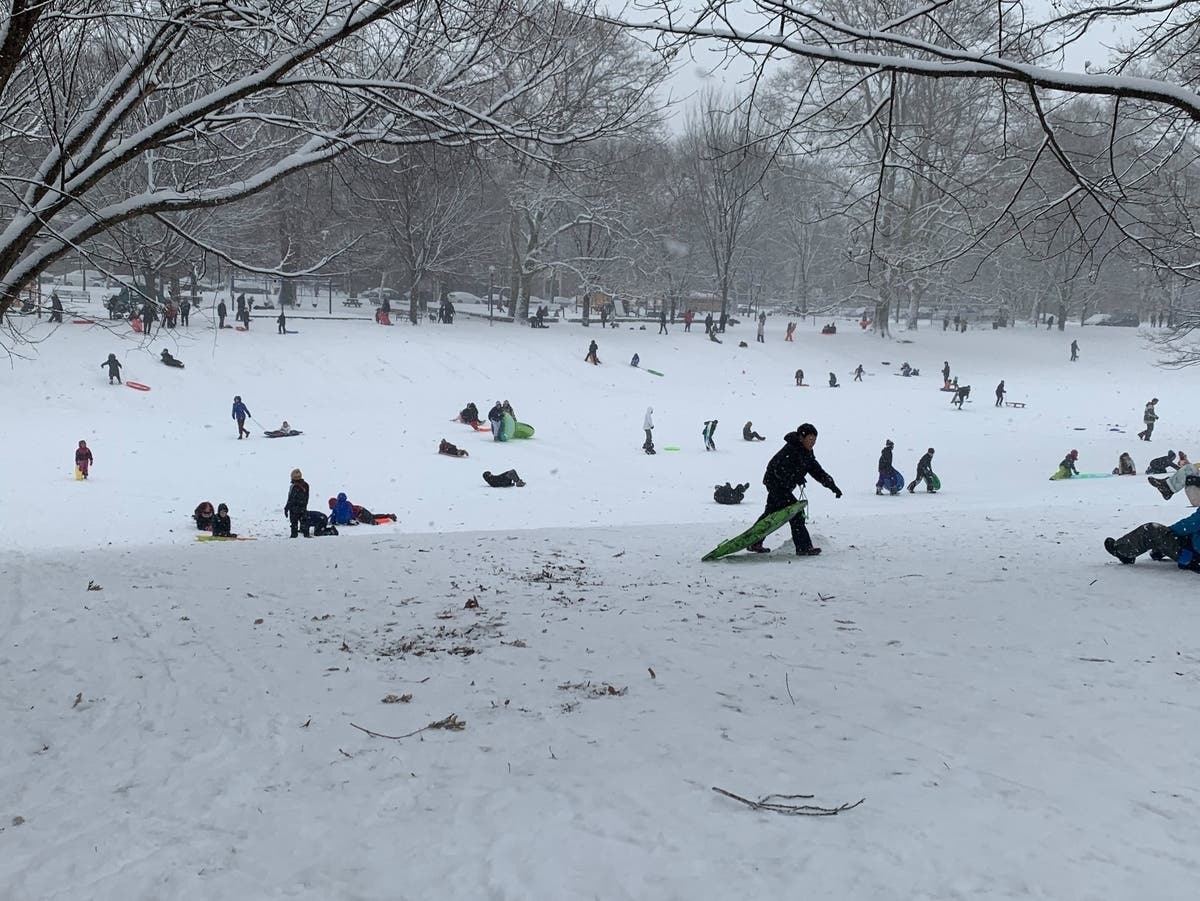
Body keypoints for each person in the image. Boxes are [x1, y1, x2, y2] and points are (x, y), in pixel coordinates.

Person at [747, 423, 842, 556]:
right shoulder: (791, 449)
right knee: (796, 512)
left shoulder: (807, 452)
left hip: (784, 486)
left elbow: (817, 471)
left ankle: (754, 541)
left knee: (770, 513)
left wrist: (832, 486)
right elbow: (777, 469)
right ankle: (803, 547)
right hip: (776, 484)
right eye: (810, 439)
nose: (813, 443)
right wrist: (795, 477)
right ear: (801, 437)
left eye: (815, 440)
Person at [1104, 507, 1200, 571]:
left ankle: (1123, 551)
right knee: (1169, 535)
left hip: (1193, 557)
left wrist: (1167, 533)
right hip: (1193, 552)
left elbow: (1190, 524)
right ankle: (1159, 550)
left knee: (1152, 530)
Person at [285, 468, 310, 537]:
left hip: (294, 509)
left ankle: (294, 536)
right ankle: (306, 536)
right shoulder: (306, 485)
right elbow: (306, 498)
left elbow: (291, 499)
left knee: (294, 524)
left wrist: (287, 507)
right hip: (302, 508)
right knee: (304, 524)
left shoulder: (294, 487)